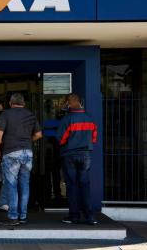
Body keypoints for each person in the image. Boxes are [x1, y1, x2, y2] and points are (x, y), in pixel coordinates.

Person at [0, 93, 42, 226]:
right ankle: (23, 216)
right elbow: (38, 134)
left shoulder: (6, 114)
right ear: (24, 104)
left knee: (11, 185)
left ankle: (13, 217)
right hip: (27, 153)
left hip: (11, 153)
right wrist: (27, 141)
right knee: (25, 185)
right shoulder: (31, 115)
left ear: (10, 103)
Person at [56, 93, 98, 225]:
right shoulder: (90, 119)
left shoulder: (67, 119)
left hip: (70, 155)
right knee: (85, 185)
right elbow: (94, 138)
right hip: (85, 155)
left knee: (72, 186)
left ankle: (74, 216)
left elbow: (60, 139)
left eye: (65, 103)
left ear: (69, 103)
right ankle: (90, 217)